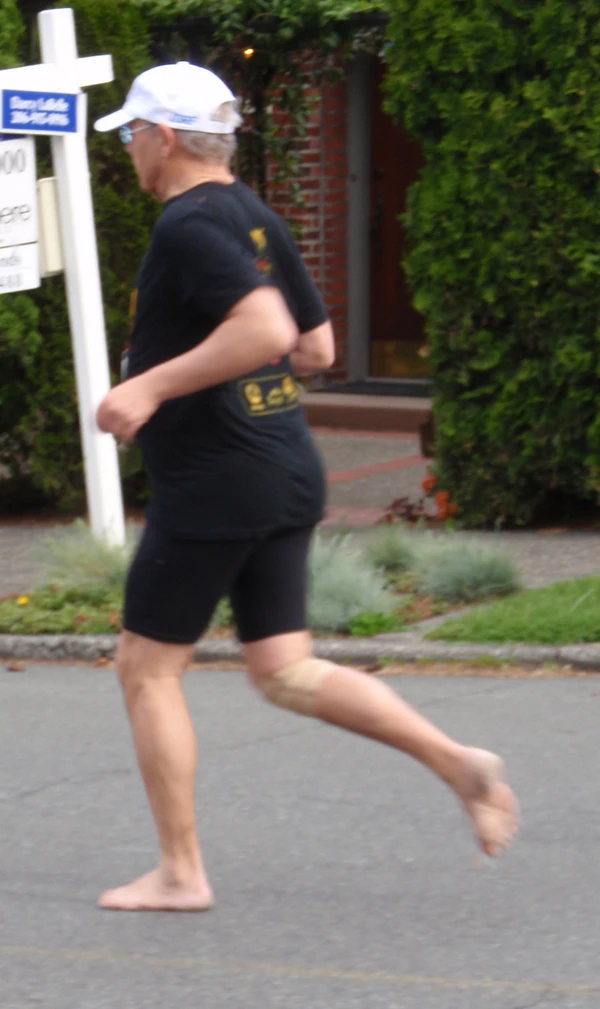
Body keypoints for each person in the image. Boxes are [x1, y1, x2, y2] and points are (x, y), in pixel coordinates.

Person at [93, 61, 518, 912]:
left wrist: (150, 386)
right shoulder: (256, 214)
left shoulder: (187, 223)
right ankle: (455, 760)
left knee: (147, 668)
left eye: (133, 133)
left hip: (217, 479)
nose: (130, 149)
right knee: (284, 667)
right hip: (284, 464)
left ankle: (180, 871)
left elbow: (268, 327)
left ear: (165, 138)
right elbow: (317, 349)